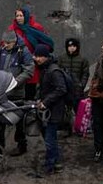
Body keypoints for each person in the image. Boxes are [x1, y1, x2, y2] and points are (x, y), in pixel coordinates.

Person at [0, 31, 34, 155]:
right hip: (2, 92)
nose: (5, 45)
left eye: (8, 43)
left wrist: (16, 82)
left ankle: (21, 145)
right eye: (4, 43)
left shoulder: (24, 52)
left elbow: (29, 70)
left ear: (14, 41)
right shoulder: (1, 51)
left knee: (19, 121)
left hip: (17, 92)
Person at [34, 43, 69, 177]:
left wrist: (45, 102)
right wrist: (39, 99)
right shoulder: (45, 69)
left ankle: (50, 166)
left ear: (45, 57)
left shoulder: (53, 70)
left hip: (54, 111)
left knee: (50, 139)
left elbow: (61, 89)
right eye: (35, 56)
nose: (36, 59)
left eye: (38, 56)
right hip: (49, 110)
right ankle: (54, 163)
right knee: (50, 138)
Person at [9, 6, 54, 98]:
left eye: (21, 15)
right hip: (16, 64)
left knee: (31, 88)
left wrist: (38, 54)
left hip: (33, 64)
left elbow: (47, 42)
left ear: (26, 16)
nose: (19, 18)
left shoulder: (36, 27)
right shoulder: (12, 29)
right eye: (17, 16)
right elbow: (4, 43)